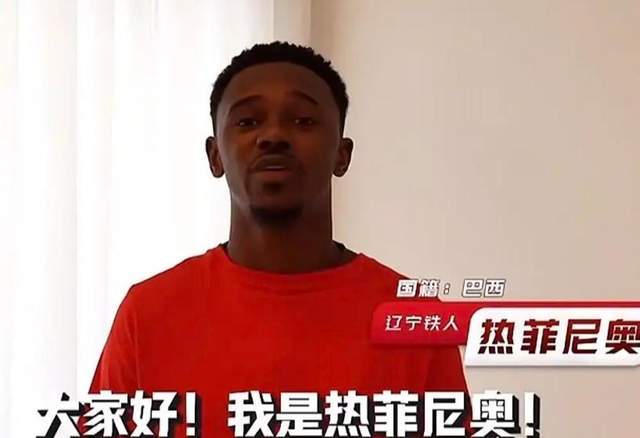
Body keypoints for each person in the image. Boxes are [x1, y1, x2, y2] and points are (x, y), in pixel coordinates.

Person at [88, 41, 469, 436]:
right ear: (215, 156)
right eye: (247, 122)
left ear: (342, 154)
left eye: (302, 120)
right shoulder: (148, 314)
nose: (273, 135)